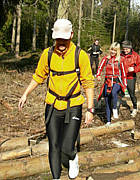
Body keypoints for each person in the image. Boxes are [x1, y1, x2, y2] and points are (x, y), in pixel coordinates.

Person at [18, 19, 94, 180]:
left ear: (71, 35)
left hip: (73, 105)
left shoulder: (80, 55)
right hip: (52, 105)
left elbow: (88, 82)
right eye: (58, 39)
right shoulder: (48, 54)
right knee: (54, 145)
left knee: (66, 146)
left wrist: (90, 109)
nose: (61, 43)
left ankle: (72, 157)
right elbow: (39, 76)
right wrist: (25, 94)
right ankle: (56, 178)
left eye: (64, 39)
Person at [96, 42, 127, 125]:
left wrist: (125, 85)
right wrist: (98, 75)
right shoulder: (106, 59)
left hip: (116, 81)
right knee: (107, 100)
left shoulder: (121, 60)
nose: (113, 52)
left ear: (118, 51)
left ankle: (114, 109)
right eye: (112, 49)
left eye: (115, 50)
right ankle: (108, 121)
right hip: (107, 81)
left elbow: (123, 73)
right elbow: (100, 68)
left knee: (114, 92)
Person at [121, 40, 140, 117]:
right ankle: (115, 108)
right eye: (124, 49)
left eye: (126, 49)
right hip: (121, 77)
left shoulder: (135, 55)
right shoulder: (120, 54)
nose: (125, 50)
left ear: (130, 48)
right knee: (118, 93)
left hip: (130, 77)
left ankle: (135, 108)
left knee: (131, 93)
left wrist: (134, 69)